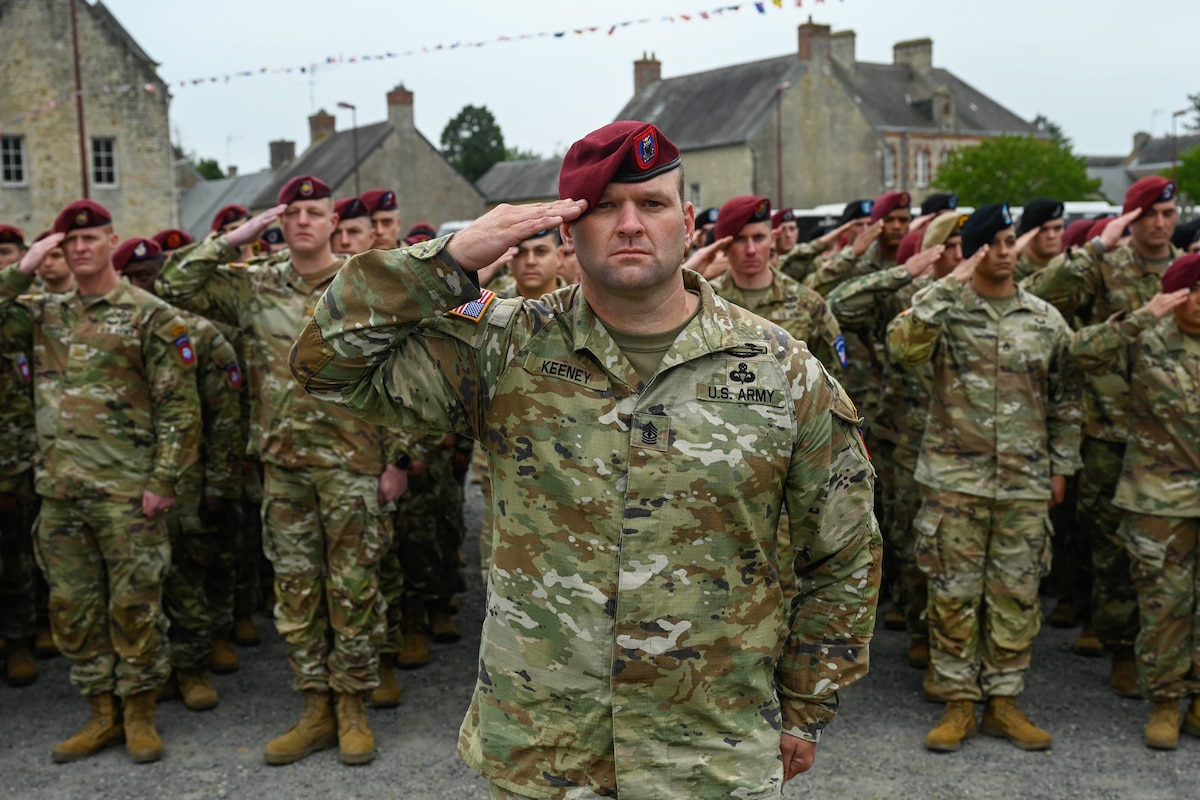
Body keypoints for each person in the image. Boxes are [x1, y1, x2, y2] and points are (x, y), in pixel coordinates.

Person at [291, 120, 881, 799]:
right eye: (604, 207)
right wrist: (446, 260)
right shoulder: (505, 346)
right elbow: (323, 368)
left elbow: (843, 552)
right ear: (569, 229)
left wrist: (808, 705)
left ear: (687, 221)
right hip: (545, 755)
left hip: (711, 752)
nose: (630, 224)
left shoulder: (781, 370)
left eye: (652, 204)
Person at [157, 176, 406, 766]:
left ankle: (353, 707)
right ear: (279, 221)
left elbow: (401, 368)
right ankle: (315, 707)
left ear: (330, 221)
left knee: (353, 589)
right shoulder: (256, 283)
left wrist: (398, 458)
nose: (302, 222)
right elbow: (173, 282)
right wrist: (234, 236)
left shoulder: (364, 280)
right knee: (296, 592)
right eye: (291, 213)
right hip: (285, 468)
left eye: (314, 212)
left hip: (353, 462)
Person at [0, 201, 202, 764]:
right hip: (60, 495)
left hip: (126, 493)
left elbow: (180, 408)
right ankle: (101, 714)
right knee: (71, 608)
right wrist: (23, 266)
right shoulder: (42, 314)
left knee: (135, 605)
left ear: (112, 240)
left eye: (91, 238)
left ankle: (139, 713)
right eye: (70, 241)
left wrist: (164, 481)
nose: (81, 248)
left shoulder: (151, 316)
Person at [888, 203, 1082, 753]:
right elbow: (903, 348)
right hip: (955, 480)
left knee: (1016, 595)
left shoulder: (1044, 319)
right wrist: (949, 283)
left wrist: (1061, 465)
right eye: (991, 243)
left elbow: (1066, 398)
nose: (1004, 252)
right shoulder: (945, 310)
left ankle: (1003, 701)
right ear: (973, 250)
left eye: (1008, 241)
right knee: (952, 595)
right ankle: (958, 703)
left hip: (1024, 483)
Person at [1033, 177, 1180, 692]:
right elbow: (1043, 298)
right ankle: (1122, 647)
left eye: (1168, 214)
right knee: (1113, 548)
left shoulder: (1187, 271)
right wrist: (1097, 246)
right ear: (1130, 220)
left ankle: (1168, 654)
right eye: (1149, 217)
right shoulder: (1104, 267)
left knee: (1171, 555)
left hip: (1175, 437)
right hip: (1111, 432)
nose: (1160, 225)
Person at [1070, 253, 1200, 749]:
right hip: (1159, 502)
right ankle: (1166, 702)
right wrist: (1146, 314)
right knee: (1165, 606)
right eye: (1192, 291)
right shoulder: (1147, 339)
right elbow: (1081, 352)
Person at [829, 211, 967, 668]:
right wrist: (905, 272)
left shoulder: (980, 293)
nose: (959, 254)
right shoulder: (907, 295)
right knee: (911, 535)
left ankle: (956, 640)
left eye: (964, 245)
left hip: (967, 438)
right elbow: (841, 304)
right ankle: (919, 626)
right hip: (909, 433)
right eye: (949, 245)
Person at [114, 237, 243, 712]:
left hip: (186, 477)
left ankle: (192, 667)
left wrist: (219, 483)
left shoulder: (199, 336)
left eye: (145, 277)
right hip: (125, 478)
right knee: (138, 581)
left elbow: (225, 416)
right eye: (128, 279)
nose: (137, 288)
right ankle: (150, 670)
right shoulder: (111, 334)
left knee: (187, 573)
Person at [708, 195, 846, 373]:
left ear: (773, 239)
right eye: (740, 239)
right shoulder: (707, 302)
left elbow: (831, 381)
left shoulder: (808, 304)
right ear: (724, 246)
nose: (751, 250)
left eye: (758, 238)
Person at [1013, 198, 1065, 282]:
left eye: (1057, 228)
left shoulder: (1069, 266)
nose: (1051, 236)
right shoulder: (1013, 269)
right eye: (1043, 230)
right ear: (1028, 234)